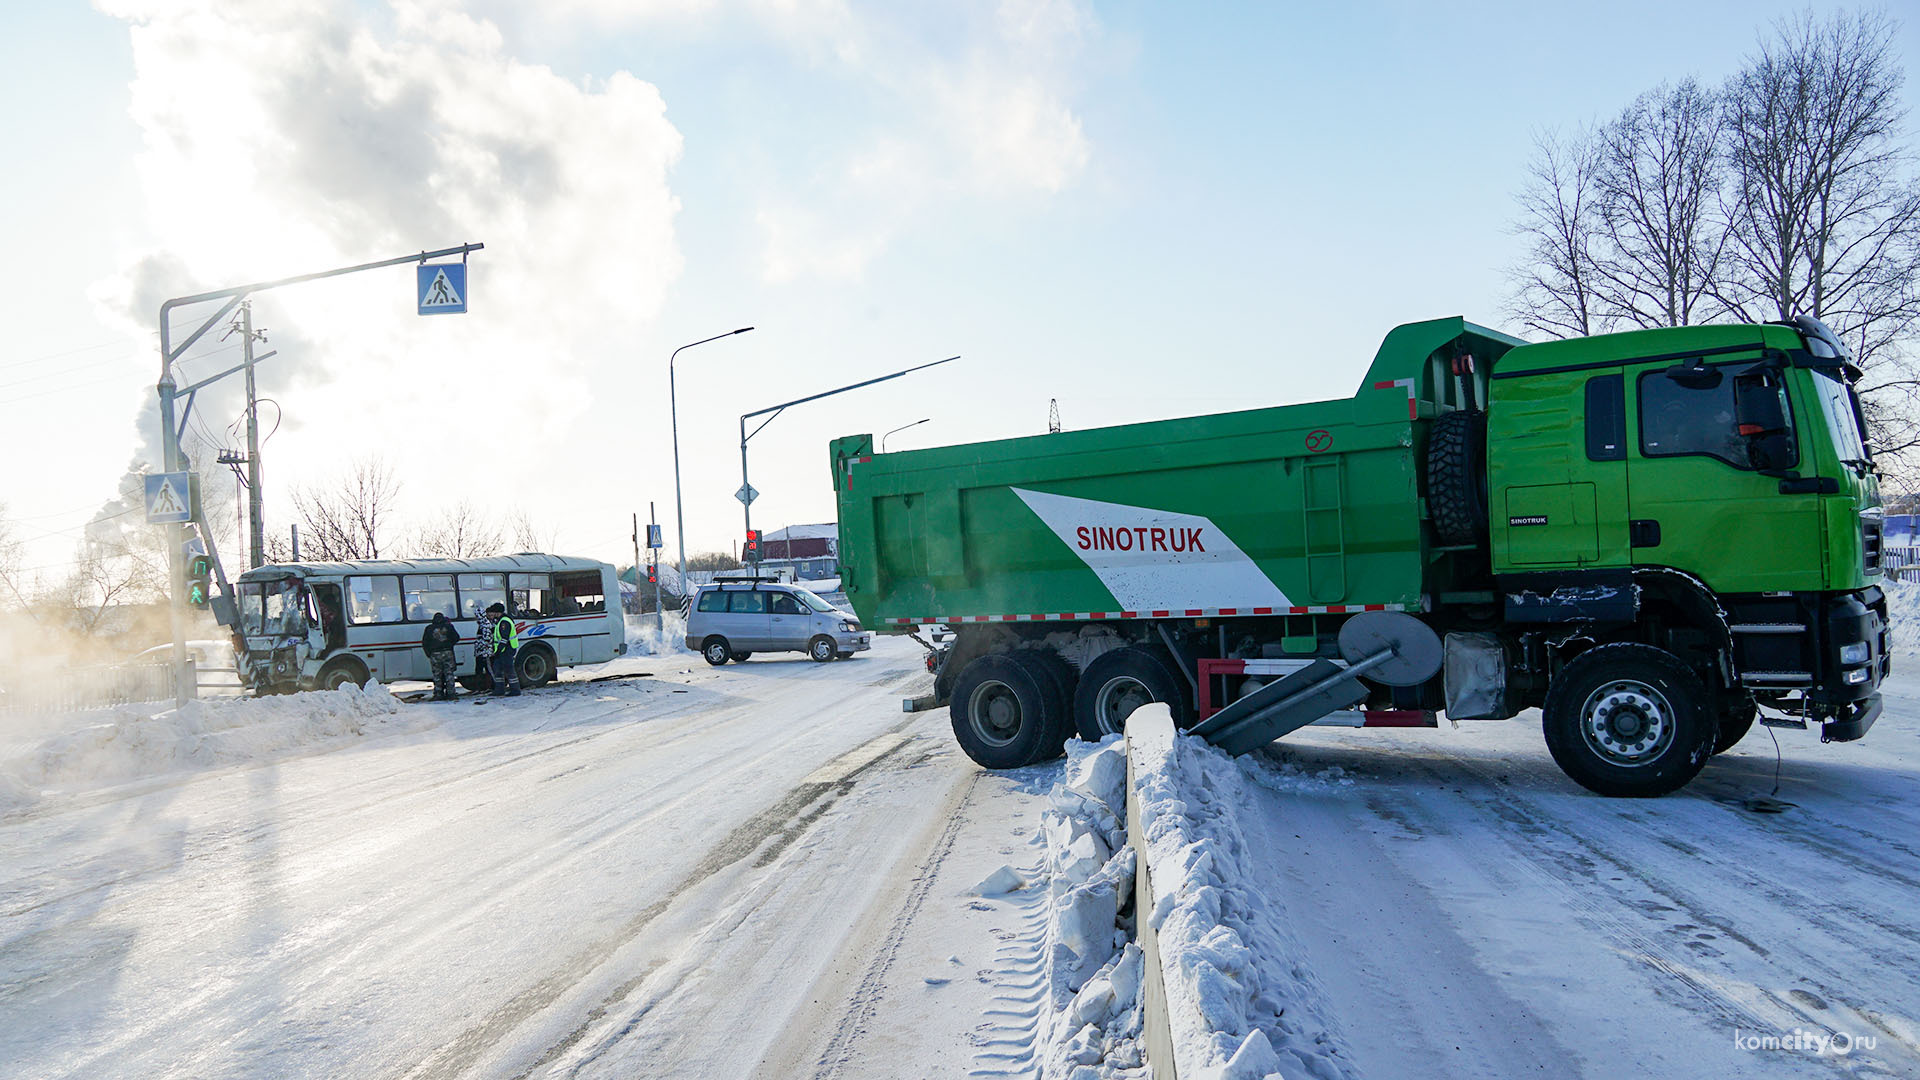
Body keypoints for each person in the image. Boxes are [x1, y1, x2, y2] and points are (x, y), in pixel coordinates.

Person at [421, 612, 460, 701]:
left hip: (435, 654)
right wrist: (449, 645)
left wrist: (429, 653)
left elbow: (425, 642)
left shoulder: (429, 628)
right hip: (447, 652)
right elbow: (456, 638)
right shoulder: (449, 627)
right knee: (449, 673)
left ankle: (438, 694)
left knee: (437, 675)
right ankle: (451, 693)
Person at [487, 602, 521, 697]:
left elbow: (504, 639)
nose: (492, 615)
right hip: (502, 651)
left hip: (507, 650)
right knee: (498, 669)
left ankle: (515, 690)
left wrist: (497, 652)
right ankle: (499, 689)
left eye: (494, 612)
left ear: (498, 612)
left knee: (509, 670)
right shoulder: (500, 621)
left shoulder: (504, 622)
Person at [474, 602, 498, 690]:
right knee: (483, 670)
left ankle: (492, 687)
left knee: (488, 670)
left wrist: (482, 647)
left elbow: (487, 639)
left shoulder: (485, 624)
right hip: (483, 651)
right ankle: (484, 688)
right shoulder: (486, 623)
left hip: (485, 652)